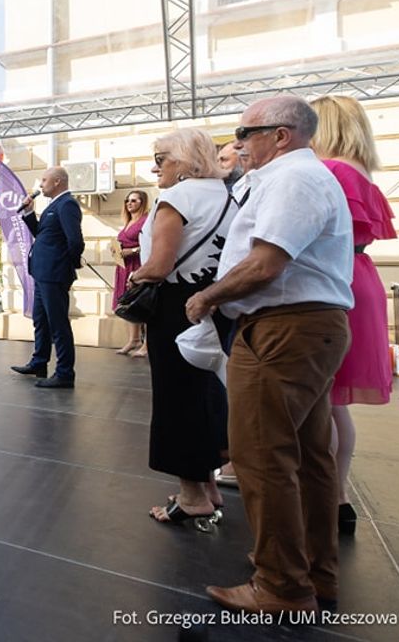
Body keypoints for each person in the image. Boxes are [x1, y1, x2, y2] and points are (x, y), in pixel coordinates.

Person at [185, 95, 353, 615]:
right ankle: (313, 576)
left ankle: (281, 585)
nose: (238, 143)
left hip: (285, 328)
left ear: (281, 135)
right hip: (301, 327)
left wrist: (208, 295)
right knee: (306, 458)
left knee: (261, 456)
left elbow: (265, 263)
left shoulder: (292, 179)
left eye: (245, 131)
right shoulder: (294, 177)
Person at [129, 129, 234, 525]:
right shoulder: (227, 195)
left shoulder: (176, 198)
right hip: (216, 300)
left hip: (175, 305)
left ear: (186, 160)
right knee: (207, 393)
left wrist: (135, 280)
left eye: (161, 158)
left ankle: (192, 495)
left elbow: (160, 265)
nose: (155, 167)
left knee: (177, 398)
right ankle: (207, 483)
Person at [310, 94, 398, 536]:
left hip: (337, 279)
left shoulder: (333, 171)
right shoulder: (361, 173)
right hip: (359, 276)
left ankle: (328, 496)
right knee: (334, 401)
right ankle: (337, 497)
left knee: (323, 400)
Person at [10, 167, 85, 389]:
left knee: (58, 323)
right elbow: (43, 235)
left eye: (44, 180)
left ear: (58, 181)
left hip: (54, 274)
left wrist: (67, 265)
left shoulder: (67, 204)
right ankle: (39, 362)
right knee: (40, 320)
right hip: (42, 273)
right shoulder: (53, 205)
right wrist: (28, 213)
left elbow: (75, 242)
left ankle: (64, 373)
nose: (40, 185)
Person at [112, 190, 150, 357]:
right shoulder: (128, 221)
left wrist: (133, 250)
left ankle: (147, 344)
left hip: (137, 265)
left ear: (142, 202)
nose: (129, 203)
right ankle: (133, 339)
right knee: (128, 304)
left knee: (141, 303)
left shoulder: (146, 220)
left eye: (134, 200)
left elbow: (151, 243)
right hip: (123, 266)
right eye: (127, 200)